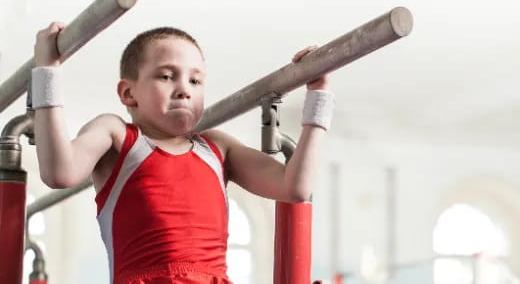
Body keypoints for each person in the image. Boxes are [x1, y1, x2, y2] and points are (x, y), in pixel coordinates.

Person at [32, 22, 335, 284]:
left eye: (195, 80)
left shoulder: (218, 147)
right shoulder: (117, 136)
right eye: (166, 76)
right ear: (128, 93)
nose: (183, 89)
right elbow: (59, 172)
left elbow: (294, 187)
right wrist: (47, 71)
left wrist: (318, 95)